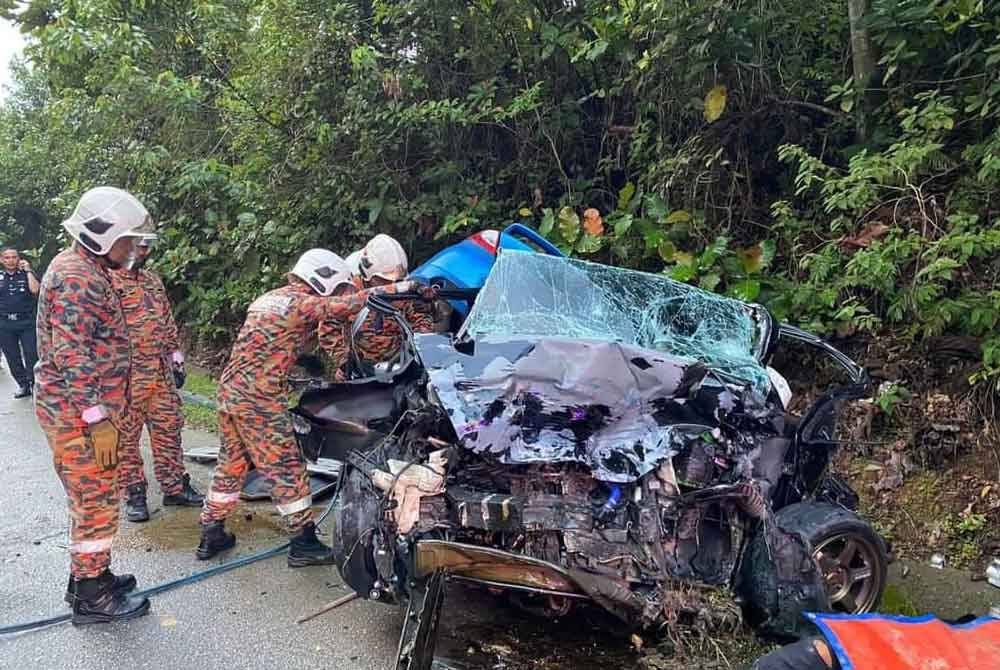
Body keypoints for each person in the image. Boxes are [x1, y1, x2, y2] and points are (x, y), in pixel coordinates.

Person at [196, 249, 428, 566]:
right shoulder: (300, 302)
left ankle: (211, 530)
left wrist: (303, 360)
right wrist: (400, 288)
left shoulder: (271, 299)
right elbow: (346, 305)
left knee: (231, 463)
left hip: (232, 392)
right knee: (287, 468)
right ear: (321, 280)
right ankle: (303, 541)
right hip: (258, 400)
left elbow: (269, 342)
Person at [35, 186, 157, 625]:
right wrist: (97, 418)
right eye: (127, 239)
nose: (133, 248)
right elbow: (71, 352)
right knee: (96, 502)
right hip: (78, 414)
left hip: (83, 408)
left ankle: (92, 576)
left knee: (95, 497)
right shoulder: (77, 276)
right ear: (101, 235)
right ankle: (91, 598)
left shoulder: (86, 267)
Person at [111, 240, 204, 523]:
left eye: (145, 247)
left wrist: (176, 357)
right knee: (126, 439)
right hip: (126, 377)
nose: (142, 252)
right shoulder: (107, 281)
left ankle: (175, 486)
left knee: (169, 430)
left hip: (160, 375)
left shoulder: (152, 280)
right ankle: (134, 493)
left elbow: (167, 320)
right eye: (137, 247)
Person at [326, 235, 436, 379]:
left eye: (396, 282)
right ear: (368, 275)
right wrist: (343, 361)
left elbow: (419, 318)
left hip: (398, 366)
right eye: (385, 281)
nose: (391, 286)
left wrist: (423, 346)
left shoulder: (402, 290)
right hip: (359, 368)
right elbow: (328, 328)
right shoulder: (348, 294)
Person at [0, 247, 40, 398]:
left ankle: (35, 383)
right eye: (7, 257)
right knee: (12, 356)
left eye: (14, 257)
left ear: (19, 259)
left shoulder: (27, 275)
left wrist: (29, 270)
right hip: (5, 323)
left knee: (31, 354)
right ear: (2, 260)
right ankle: (23, 385)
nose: (11, 260)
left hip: (26, 322)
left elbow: (35, 290)